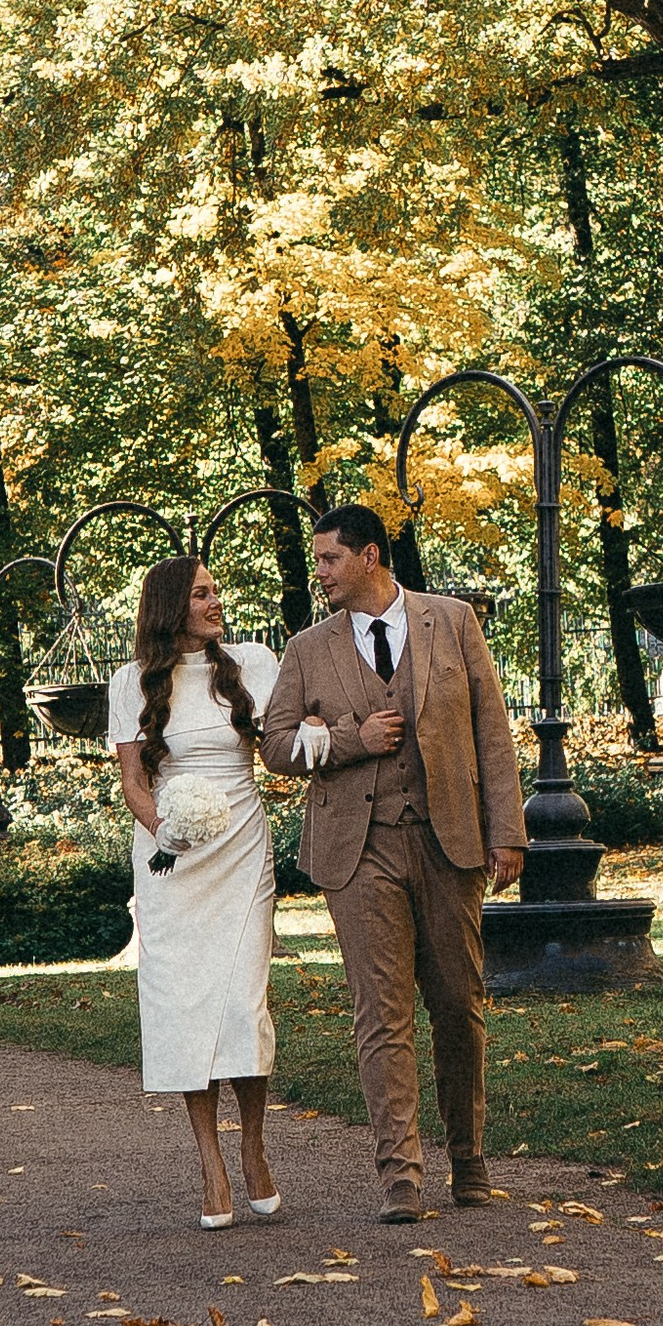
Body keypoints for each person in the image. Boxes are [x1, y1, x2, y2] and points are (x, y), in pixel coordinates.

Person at [257, 503, 525, 1222]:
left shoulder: (453, 620)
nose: (320, 575)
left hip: (450, 842)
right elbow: (276, 747)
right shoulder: (308, 648)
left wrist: (510, 832)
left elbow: (491, 733)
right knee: (382, 1015)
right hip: (359, 849)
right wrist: (350, 738)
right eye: (316, 562)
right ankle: (400, 1178)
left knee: (458, 1007)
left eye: (330, 561)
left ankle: (467, 1160)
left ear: (370, 556)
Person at [108, 556, 282, 1230]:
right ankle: (209, 1161)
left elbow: (279, 748)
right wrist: (167, 831)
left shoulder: (252, 664)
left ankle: (256, 1145)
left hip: (241, 852)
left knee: (243, 1001)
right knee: (184, 1008)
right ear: (172, 606)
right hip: (173, 862)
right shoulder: (132, 683)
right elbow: (133, 784)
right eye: (202, 593)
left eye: (216, 590)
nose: (216, 601)